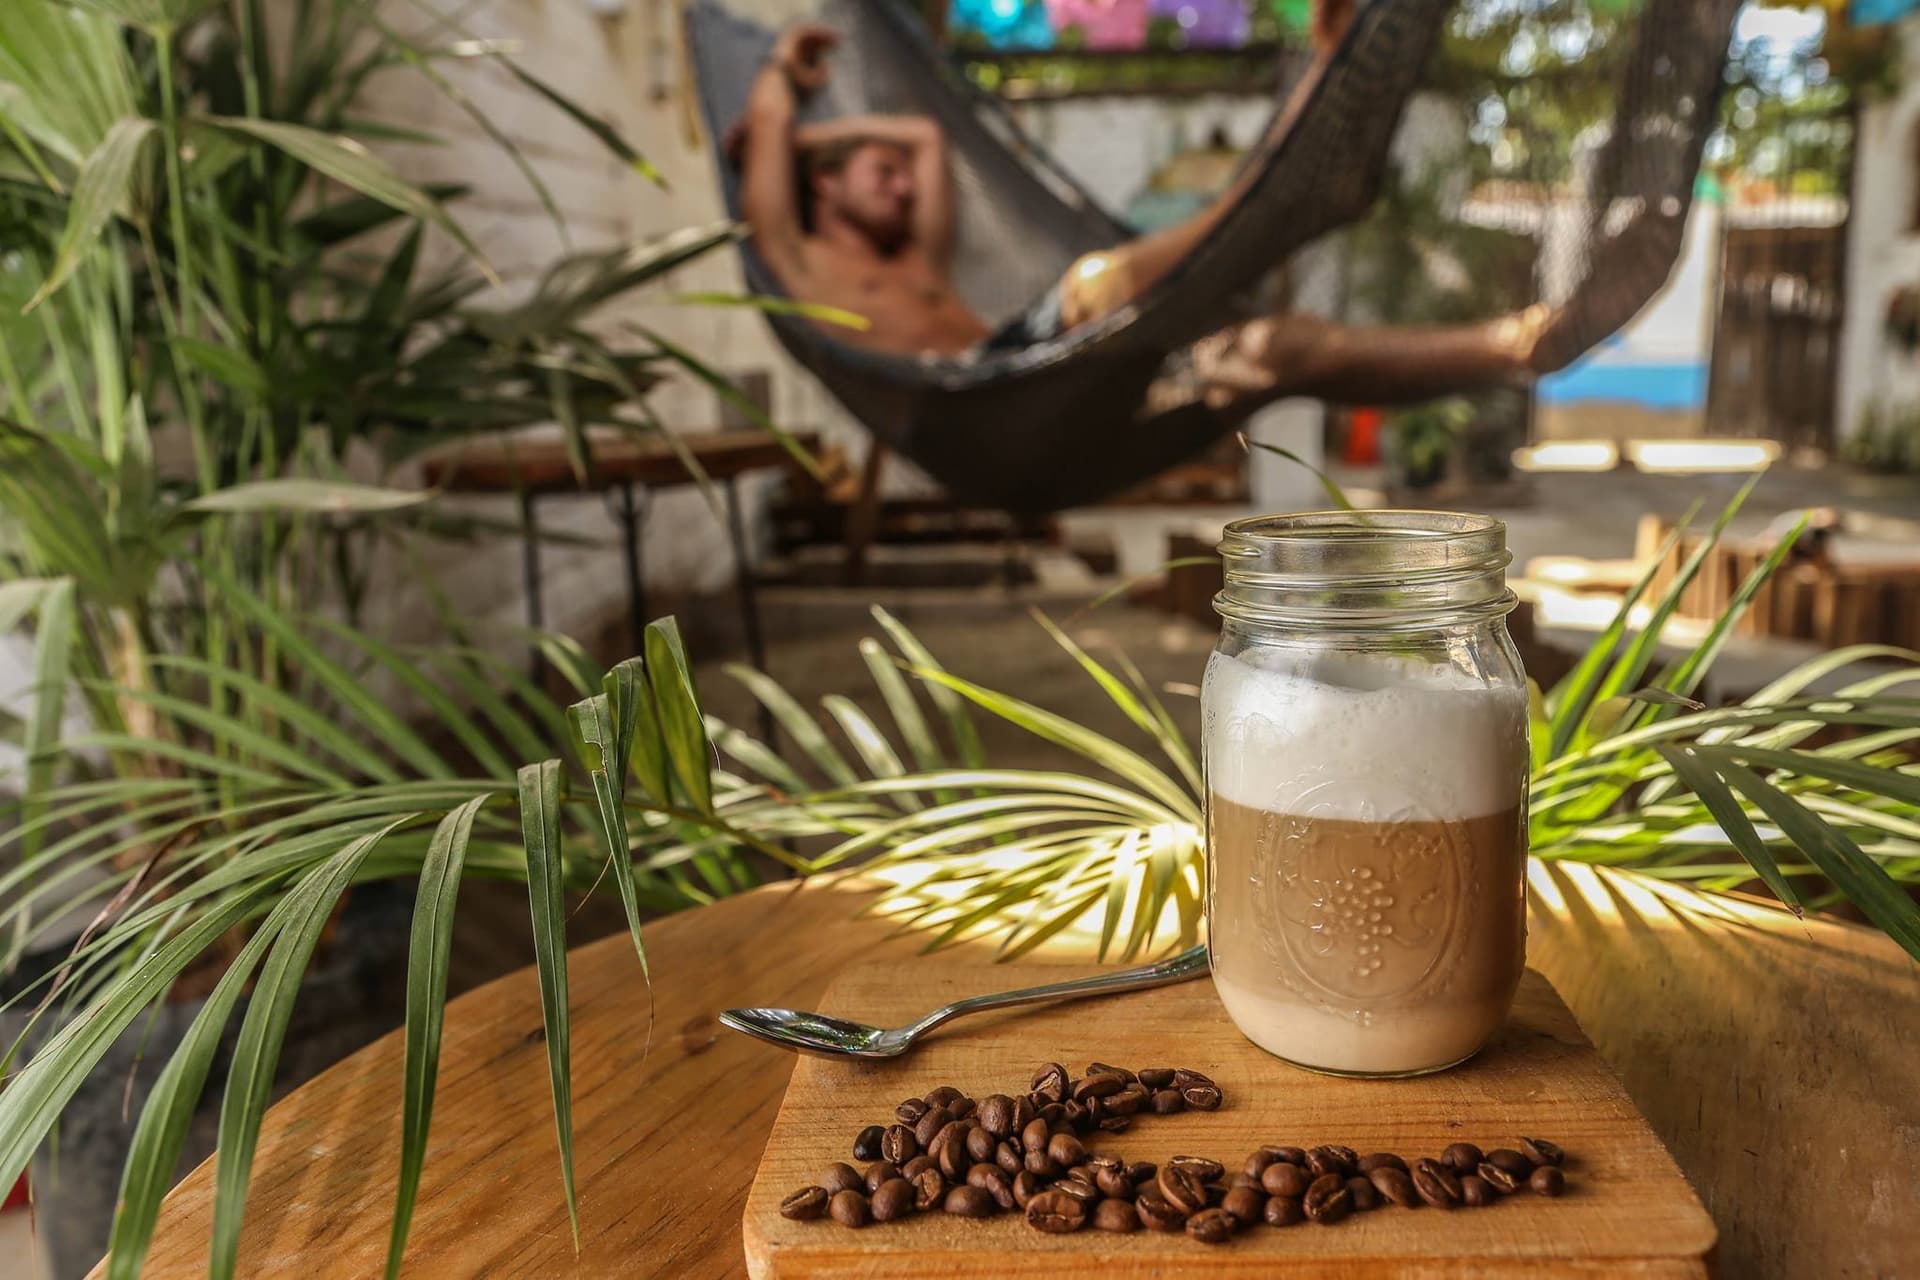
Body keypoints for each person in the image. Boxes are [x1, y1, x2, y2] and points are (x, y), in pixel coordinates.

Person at [732, 4, 1675, 411]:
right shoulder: (801, 261)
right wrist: (783, 79)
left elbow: (926, 137)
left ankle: (1523, 343)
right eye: (876, 174)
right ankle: (1305, 155)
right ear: (821, 187)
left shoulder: (916, 253)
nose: (902, 183)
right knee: (1100, 279)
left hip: (1040, 380)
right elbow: (769, 129)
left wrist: (839, 142)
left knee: (1281, 349)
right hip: (976, 402)